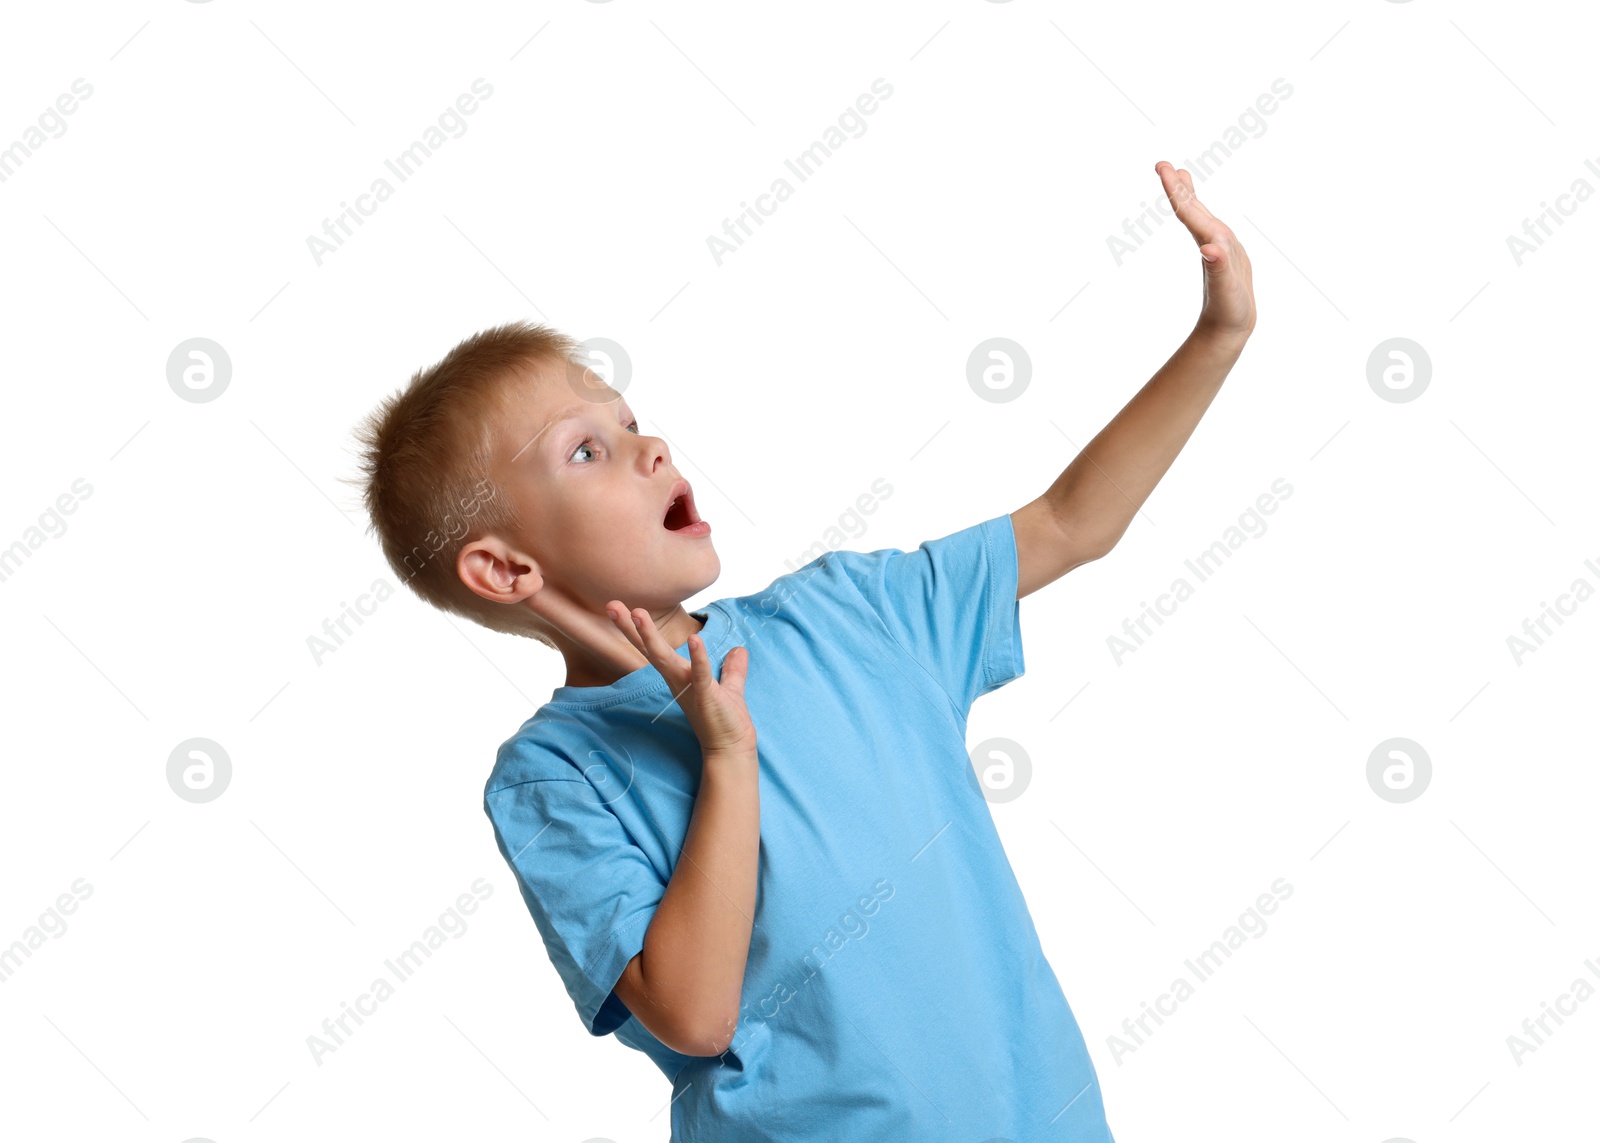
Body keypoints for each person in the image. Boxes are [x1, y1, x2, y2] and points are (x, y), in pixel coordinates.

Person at [352, 160, 1256, 1140]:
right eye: (586, 451)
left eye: (634, 424)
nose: (650, 449)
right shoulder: (551, 779)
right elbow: (694, 1015)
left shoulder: (850, 614)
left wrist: (1218, 336)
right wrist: (725, 759)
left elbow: (1072, 523)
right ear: (504, 569)